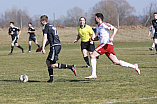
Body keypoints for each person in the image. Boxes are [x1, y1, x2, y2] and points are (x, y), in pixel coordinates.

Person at [85, 13, 140, 79]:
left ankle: (94, 74)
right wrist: (93, 39)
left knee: (92, 55)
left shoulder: (104, 24)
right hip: (106, 46)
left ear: (99, 18)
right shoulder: (98, 27)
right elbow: (99, 37)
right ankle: (134, 66)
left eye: (95, 18)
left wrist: (112, 37)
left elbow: (115, 29)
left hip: (106, 44)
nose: (94, 19)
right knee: (116, 62)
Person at [38, 15, 77, 83]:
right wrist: (42, 47)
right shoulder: (52, 26)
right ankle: (51, 79)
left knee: (52, 65)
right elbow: (50, 40)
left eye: (41, 21)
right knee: (48, 62)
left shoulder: (46, 27)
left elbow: (45, 37)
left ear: (44, 21)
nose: (40, 23)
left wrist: (43, 48)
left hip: (54, 46)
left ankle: (71, 67)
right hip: (57, 45)